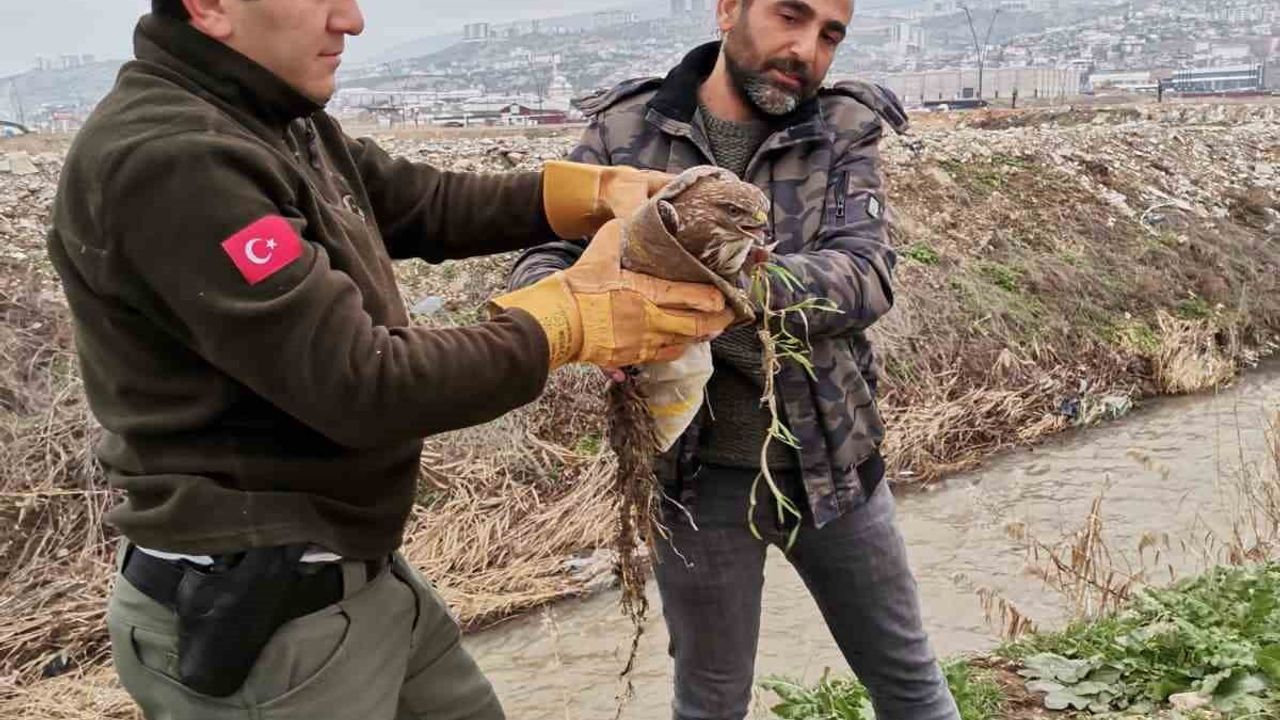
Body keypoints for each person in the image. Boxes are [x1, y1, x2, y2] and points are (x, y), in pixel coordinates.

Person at [45, 1, 734, 718]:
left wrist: (585, 195)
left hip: (356, 578)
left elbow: (418, 203)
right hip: (265, 618)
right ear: (210, 6)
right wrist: (568, 320)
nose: (352, 20)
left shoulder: (270, 114)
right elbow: (363, 383)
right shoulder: (175, 159)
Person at [509, 1, 960, 718]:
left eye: (829, 35)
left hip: (834, 469)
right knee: (711, 702)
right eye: (790, 15)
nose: (806, 48)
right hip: (694, 485)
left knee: (909, 686)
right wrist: (586, 317)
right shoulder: (627, 131)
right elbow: (544, 254)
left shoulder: (842, 127)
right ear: (727, 10)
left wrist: (728, 283)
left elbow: (866, 275)